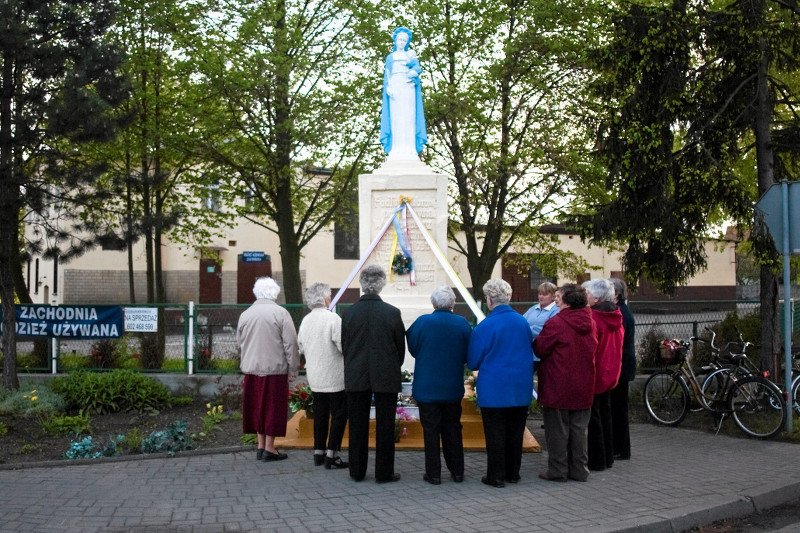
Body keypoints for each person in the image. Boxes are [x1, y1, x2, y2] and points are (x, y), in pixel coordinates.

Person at [341, 265, 406, 483]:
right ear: (381, 285)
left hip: (356, 373)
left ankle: (357, 471)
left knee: (357, 424)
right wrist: (391, 365)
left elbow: (345, 345)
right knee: (385, 425)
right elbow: (400, 349)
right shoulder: (392, 312)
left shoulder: (349, 312)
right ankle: (383, 472)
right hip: (385, 375)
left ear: (362, 284)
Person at [467, 278, 534, 488]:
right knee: (516, 432)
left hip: (494, 388)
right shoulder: (522, 322)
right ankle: (513, 473)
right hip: (520, 386)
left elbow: (473, 360)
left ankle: (495, 475)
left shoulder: (486, 326)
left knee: (495, 434)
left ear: (489, 299)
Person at [406, 286, 472, 485]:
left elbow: (413, 347)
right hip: (452, 386)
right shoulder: (462, 323)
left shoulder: (422, 322)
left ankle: (433, 474)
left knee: (431, 431)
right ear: (453, 304)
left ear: (433, 303)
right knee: (453, 428)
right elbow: (468, 353)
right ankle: (457, 471)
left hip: (427, 387)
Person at [533, 284, 598, 482]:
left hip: (558, 384)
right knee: (579, 431)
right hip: (584, 383)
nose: (556, 299)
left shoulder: (557, 323)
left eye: (559, 296)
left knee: (557, 432)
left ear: (568, 301)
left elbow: (540, 347)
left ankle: (558, 470)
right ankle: (579, 469)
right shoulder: (590, 322)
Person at [237, 277, 299, 462]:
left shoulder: (245, 314)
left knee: (256, 407)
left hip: (251, 370)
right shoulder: (281, 313)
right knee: (273, 408)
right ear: (274, 293)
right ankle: (270, 449)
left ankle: (260, 445)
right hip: (275, 371)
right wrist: (293, 368)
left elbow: (240, 342)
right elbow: (291, 344)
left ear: (256, 292)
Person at [297, 282, 348, 470]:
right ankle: (332, 454)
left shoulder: (306, 320)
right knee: (339, 415)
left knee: (319, 415)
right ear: (325, 298)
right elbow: (343, 346)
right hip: (335, 376)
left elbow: (300, 346)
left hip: (315, 376)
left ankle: (318, 452)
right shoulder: (333, 319)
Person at [582, 278, 624, 472]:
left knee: (595, 418)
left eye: (587, 294)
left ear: (596, 297)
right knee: (606, 415)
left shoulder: (594, 318)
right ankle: (608, 456)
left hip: (596, 372)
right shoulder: (616, 315)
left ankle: (597, 460)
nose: (585, 297)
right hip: (611, 372)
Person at [379, 26, 427, 161]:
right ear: (395, 40)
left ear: (407, 42)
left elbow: (417, 68)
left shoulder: (410, 55)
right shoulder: (391, 57)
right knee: (396, 118)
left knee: (409, 116)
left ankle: (410, 149)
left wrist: (414, 72)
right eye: (400, 39)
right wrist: (388, 87)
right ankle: (396, 149)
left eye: (404, 40)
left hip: (408, 87)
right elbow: (387, 75)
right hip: (395, 87)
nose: (402, 42)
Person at [609, 277, 636, 460]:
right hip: (622, 365)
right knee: (617, 408)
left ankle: (621, 448)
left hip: (622, 366)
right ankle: (619, 447)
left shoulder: (621, 313)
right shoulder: (621, 311)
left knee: (619, 409)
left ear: (616, 294)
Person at [523, 281, 560, 376]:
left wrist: (524, 330)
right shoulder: (533, 308)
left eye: (545, 294)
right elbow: (521, 322)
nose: (541, 297)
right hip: (528, 353)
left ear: (553, 296)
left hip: (544, 356)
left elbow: (544, 329)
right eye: (540, 294)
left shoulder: (556, 310)